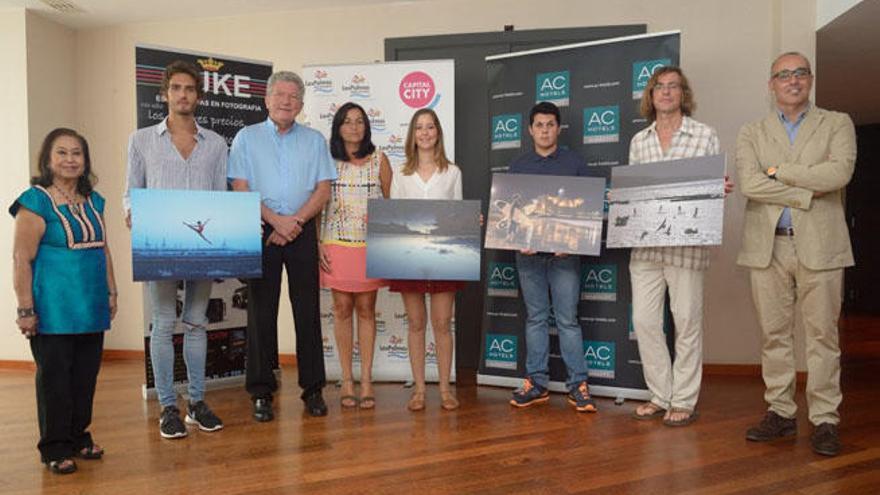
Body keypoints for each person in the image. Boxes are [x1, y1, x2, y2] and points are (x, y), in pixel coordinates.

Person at [737, 52, 856, 456]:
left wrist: (779, 171)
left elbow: (838, 174)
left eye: (800, 73)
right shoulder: (752, 131)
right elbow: (751, 185)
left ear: (810, 80)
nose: (792, 80)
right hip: (767, 246)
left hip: (821, 245)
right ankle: (781, 412)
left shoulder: (836, 123)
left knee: (823, 336)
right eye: (783, 75)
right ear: (771, 85)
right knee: (774, 335)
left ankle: (825, 419)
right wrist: (807, 188)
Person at [125, 61, 228, 439]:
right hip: (160, 244)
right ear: (166, 93)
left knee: (198, 322)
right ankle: (168, 406)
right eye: (176, 88)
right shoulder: (140, 141)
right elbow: (129, 191)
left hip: (202, 246)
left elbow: (221, 199)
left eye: (189, 89)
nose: (183, 95)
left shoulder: (216, 144)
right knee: (165, 323)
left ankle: (196, 403)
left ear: (198, 96)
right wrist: (132, 214)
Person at [627, 66, 733, 427]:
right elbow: (637, 193)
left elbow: (710, 190)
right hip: (645, 248)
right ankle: (660, 394)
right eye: (660, 86)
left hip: (686, 248)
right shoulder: (639, 142)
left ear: (683, 94)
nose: (667, 92)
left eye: (674, 86)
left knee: (686, 322)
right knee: (644, 321)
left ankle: (683, 399)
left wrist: (718, 189)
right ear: (651, 95)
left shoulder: (704, 135)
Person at [229, 71, 337, 420]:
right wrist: (276, 221)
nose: (286, 101)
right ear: (267, 100)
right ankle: (261, 392)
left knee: (307, 311)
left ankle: (313, 389)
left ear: (301, 104)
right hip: (260, 228)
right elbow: (240, 187)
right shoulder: (246, 138)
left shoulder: (315, 140)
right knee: (261, 313)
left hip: (301, 229)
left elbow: (323, 189)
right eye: (280, 95)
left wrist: (295, 223)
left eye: (293, 96)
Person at [11, 128, 118, 474]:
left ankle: (78, 436)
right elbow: (21, 258)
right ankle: (55, 447)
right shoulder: (36, 200)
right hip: (53, 308)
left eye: (77, 153)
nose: (70, 159)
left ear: (85, 161)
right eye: (62, 153)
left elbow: (103, 249)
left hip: (91, 305)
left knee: (85, 377)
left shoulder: (94, 200)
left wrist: (111, 291)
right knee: (55, 380)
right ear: (47, 159)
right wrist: (26, 308)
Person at [507, 102, 598, 413]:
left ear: (558, 128)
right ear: (530, 130)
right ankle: (536, 382)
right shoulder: (518, 166)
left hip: (564, 257)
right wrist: (519, 240)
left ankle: (578, 385)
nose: (545, 130)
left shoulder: (575, 164)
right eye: (539, 125)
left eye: (550, 124)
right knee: (535, 318)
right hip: (529, 258)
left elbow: (588, 211)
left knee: (567, 320)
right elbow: (511, 214)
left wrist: (571, 242)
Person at [319, 102, 392, 409]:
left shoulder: (380, 159)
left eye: (359, 121)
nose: (354, 126)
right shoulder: (326, 159)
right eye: (347, 121)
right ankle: (347, 379)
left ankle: (366, 381)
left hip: (370, 246)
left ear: (367, 126)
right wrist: (316, 243)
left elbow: (390, 204)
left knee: (366, 309)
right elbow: (318, 203)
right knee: (341, 309)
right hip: (335, 243)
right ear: (338, 126)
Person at [389, 108, 462, 411]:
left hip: (445, 257)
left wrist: (473, 222)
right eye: (419, 127)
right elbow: (394, 215)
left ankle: (445, 389)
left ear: (438, 132)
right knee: (416, 324)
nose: (425, 133)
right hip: (409, 257)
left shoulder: (453, 172)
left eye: (430, 127)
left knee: (443, 324)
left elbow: (459, 214)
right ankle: (419, 390)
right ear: (412, 134)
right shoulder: (401, 173)